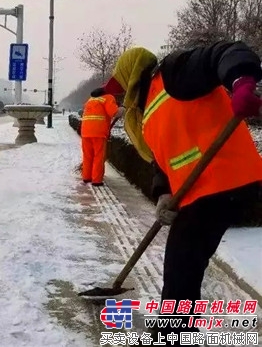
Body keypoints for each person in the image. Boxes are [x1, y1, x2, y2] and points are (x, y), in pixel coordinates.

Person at [103, 41, 262, 343]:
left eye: (122, 86)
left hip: (225, 179)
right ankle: (172, 332)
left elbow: (225, 52)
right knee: (181, 265)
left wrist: (240, 79)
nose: (122, 94)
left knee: (181, 267)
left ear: (133, 73)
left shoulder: (174, 72)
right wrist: (163, 192)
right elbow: (163, 160)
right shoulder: (148, 111)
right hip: (203, 192)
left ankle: (172, 335)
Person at [79, 87, 123, 186]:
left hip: (85, 131)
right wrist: (122, 108)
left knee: (87, 156)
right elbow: (114, 112)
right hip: (98, 132)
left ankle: (86, 177)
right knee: (98, 156)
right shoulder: (107, 98)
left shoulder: (90, 100)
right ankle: (96, 180)